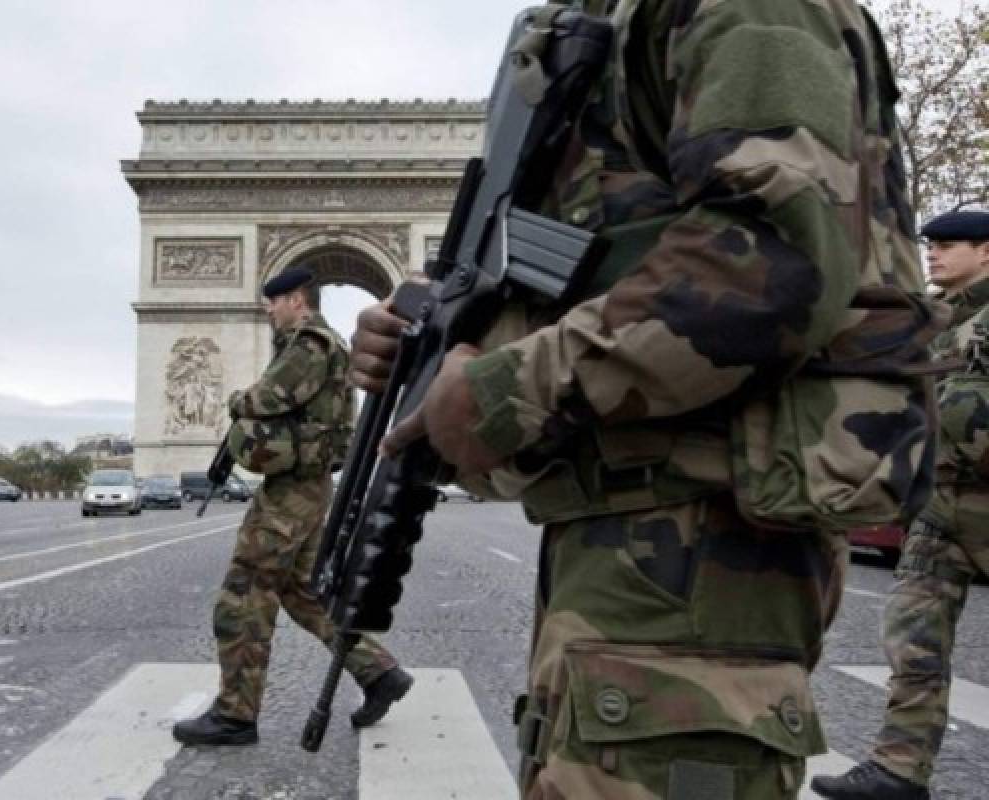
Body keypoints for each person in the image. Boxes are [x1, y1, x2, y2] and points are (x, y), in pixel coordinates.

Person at [350, 1, 928, 797]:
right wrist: (439, 340)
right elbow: (607, 272)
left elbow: (775, 255)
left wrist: (498, 391)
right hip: (624, 537)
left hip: (701, 544)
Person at [172, 266, 412, 747]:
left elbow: (268, 398)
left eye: (275, 300)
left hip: (293, 488)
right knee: (303, 592)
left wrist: (237, 400)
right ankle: (378, 672)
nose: (267, 307)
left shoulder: (308, 343)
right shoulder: (319, 343)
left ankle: (235, 714)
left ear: (298, 299)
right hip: (304, 483)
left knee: (244, 592)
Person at [811, 209, 989, 800]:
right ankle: (898, 769)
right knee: (913, 638)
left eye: (948, 245)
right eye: (930, 245)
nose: (933, 254)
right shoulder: (933, 323)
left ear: (986, 252)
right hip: (938, 508)